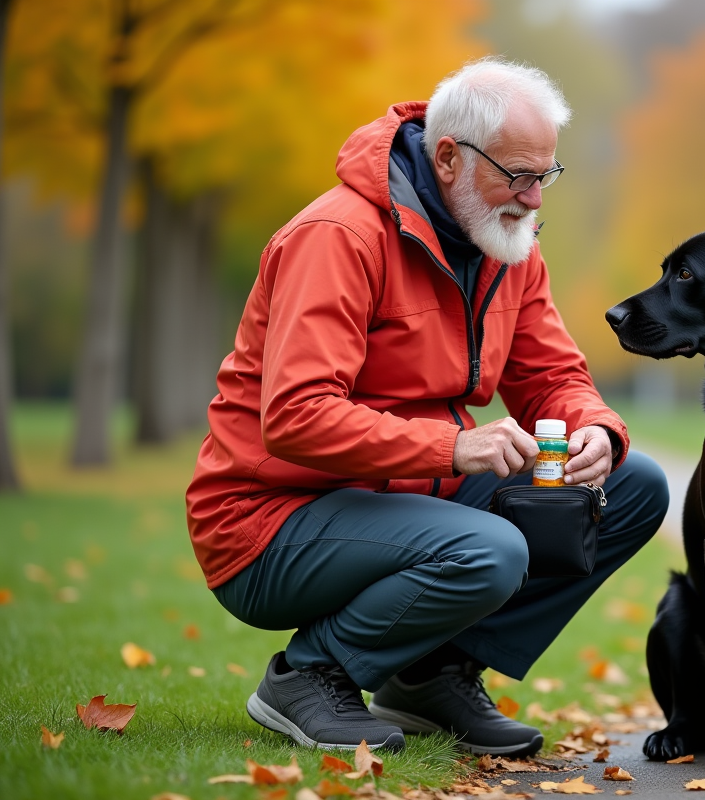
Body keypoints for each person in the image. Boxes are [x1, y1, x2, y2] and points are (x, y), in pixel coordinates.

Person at [185, 58, 669, 755]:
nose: (534, 200)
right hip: (267, 520)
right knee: (491, 551)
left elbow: (552, 376)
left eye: (546, 176)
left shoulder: (508, 246)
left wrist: (596, 428)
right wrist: (451, 448)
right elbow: (295, 417)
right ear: (448, 157)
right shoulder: (338, 236)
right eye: (519, 176)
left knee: (631, 486)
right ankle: (307, 675)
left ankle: (430, 676)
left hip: (408, 499)